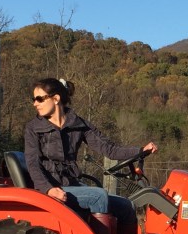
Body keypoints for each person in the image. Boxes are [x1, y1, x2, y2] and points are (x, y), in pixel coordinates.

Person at [23, 77, 157, 225]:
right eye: (34, 99)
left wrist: (140, 150)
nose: (35, 103)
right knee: (98, 196)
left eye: (39, 99)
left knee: (126, 206)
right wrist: (48, 189)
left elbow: (110, 149)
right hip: (50, 188)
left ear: (56, 99)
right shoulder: (33, 128)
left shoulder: (78, 124)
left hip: (71, 184)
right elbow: (33, 163)